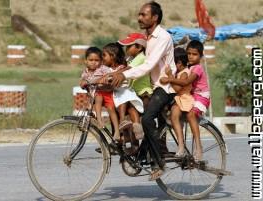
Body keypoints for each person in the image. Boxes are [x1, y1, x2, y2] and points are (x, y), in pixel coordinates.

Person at [109, 1, 176, 180]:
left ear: (154, 18)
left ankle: (158, 162)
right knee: (140, 116)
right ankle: (139, 152)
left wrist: (124, 76)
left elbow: (148, 65)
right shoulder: (147, 37)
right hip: (154, 86)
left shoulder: (162, 37)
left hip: (165, 87)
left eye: (143, 15)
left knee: (146, 119)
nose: (139, 17)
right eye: (139, 14)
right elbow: (136, 62)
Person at [164, 40, 210, 161]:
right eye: (189, 53)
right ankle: (181, 145)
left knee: (191, 114)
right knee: (175, 112)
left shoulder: (197, 68)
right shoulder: (188, 67)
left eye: (194, 54)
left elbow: (185, 82)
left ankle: (199, 147)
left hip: (202, 97)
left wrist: (169, 78)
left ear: (201, 56)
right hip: (190, 96)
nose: (190, 56)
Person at [79, 47, 119, 141]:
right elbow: (82, 82)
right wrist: (83, 83)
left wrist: (106, 80)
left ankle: (116, 131)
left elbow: (112, 76)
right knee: (94, 100)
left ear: (101, 61)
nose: (94, 62)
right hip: (93, 97)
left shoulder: (103, 69)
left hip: (107, 94)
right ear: (86, 61)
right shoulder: (85, 72)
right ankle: (96, 121)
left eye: (97, 60)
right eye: (91, 60)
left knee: (111, 109)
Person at [160, 47, 193, 157]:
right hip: (178, 98)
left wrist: (169, 76)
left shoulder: (184, 73)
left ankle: (181, 146)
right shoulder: (179, 72)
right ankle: (172, 123)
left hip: (183, 99)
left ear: (178, 63)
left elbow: (178, 89)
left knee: (174, 117)